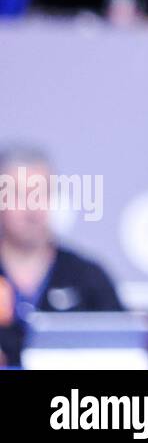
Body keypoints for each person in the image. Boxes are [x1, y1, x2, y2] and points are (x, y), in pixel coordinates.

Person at [0, 146, 125, 367]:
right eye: (19, 195)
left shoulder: (88, 277)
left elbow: (125, 354)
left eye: (42, 193)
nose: (32, 209)